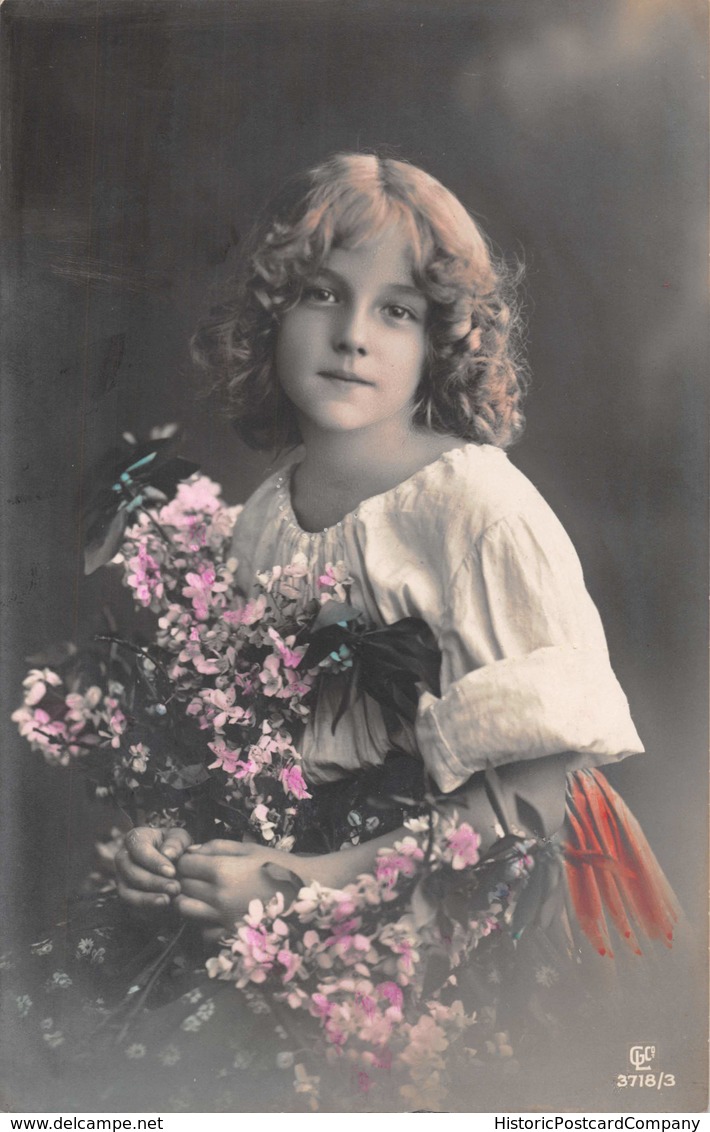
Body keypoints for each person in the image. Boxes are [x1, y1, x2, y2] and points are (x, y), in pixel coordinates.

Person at [27, 153, 678, 1112]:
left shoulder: (477, 506)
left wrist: (306, 886)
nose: (352, 336)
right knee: (60, 1013)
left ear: (442, 341)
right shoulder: (262, 519)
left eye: (397, 310)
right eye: (322, 295)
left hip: (464, 880)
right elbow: (246, 751)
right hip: (292, 864)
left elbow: (538, 795)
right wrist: (171, 850)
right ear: (269, 318)